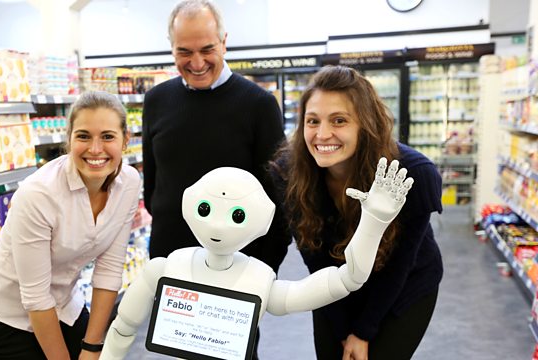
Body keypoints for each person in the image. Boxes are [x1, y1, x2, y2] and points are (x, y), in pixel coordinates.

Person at [101, 163, 412, 359]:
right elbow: (123, 328)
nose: (218, 226)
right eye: (206, 209)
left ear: (261, 221)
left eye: (237, 215)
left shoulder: (259, 281)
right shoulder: (167, 267)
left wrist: (372, 223)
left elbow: (348, 279)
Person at [269, 65, 443, 360]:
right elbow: (315, 259)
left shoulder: (411, 174)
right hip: (333, 283)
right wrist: (342, 331)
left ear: (366, 123)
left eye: (339, 120)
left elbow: (400, 264)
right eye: (313, 121)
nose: (323, 134)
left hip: (401, 287)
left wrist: (362, 332)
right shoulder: (289, 173)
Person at [0, 91, 142, 360]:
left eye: (108, 136)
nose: (95, 149)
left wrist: (92, 347)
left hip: (63, 303)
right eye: (83, 136)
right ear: (69, 139)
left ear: (125, 141)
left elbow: (109, 269)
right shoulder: (38, 195)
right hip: (6, 316)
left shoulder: (129, 184)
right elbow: (35, 298)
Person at [142, 0, 290, 273]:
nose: (197, 63)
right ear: (171, 46)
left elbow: (277, 197)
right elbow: (152, 187)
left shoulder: (259, 105)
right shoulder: (155, 101)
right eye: (184, 52)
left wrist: (263, 268)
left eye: (207, 49)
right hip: (169, 260)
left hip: (236, 267)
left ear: (224, 42)